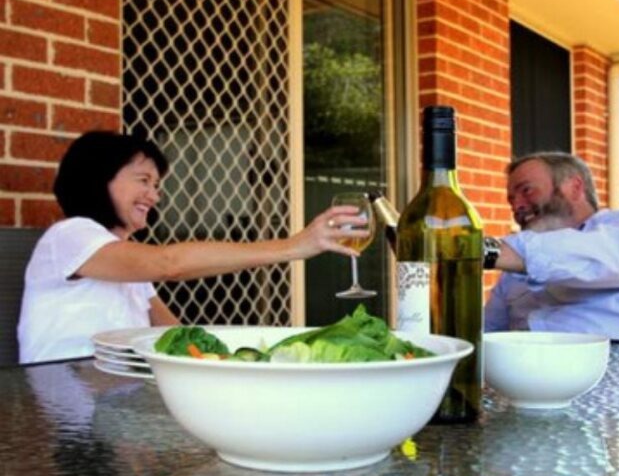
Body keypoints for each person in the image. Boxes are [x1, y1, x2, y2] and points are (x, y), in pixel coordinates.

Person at [18, 131, 367, 363]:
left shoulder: (125, 261)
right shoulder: (70, 236)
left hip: (117, 409)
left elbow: (175, 335)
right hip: (67, 411)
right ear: (98, 179)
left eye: (157, 185)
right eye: (144, 180)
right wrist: (294, 246)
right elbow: (170, 264)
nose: (155, 195)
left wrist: (233, 361)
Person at [484, 151, 619, 342]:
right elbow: (486, 334)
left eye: (527, 190)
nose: (517, 206)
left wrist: (485, 251)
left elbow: (601, 256)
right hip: (525, 359)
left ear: (574, 187)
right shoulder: (511, 275)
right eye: (511, 200)